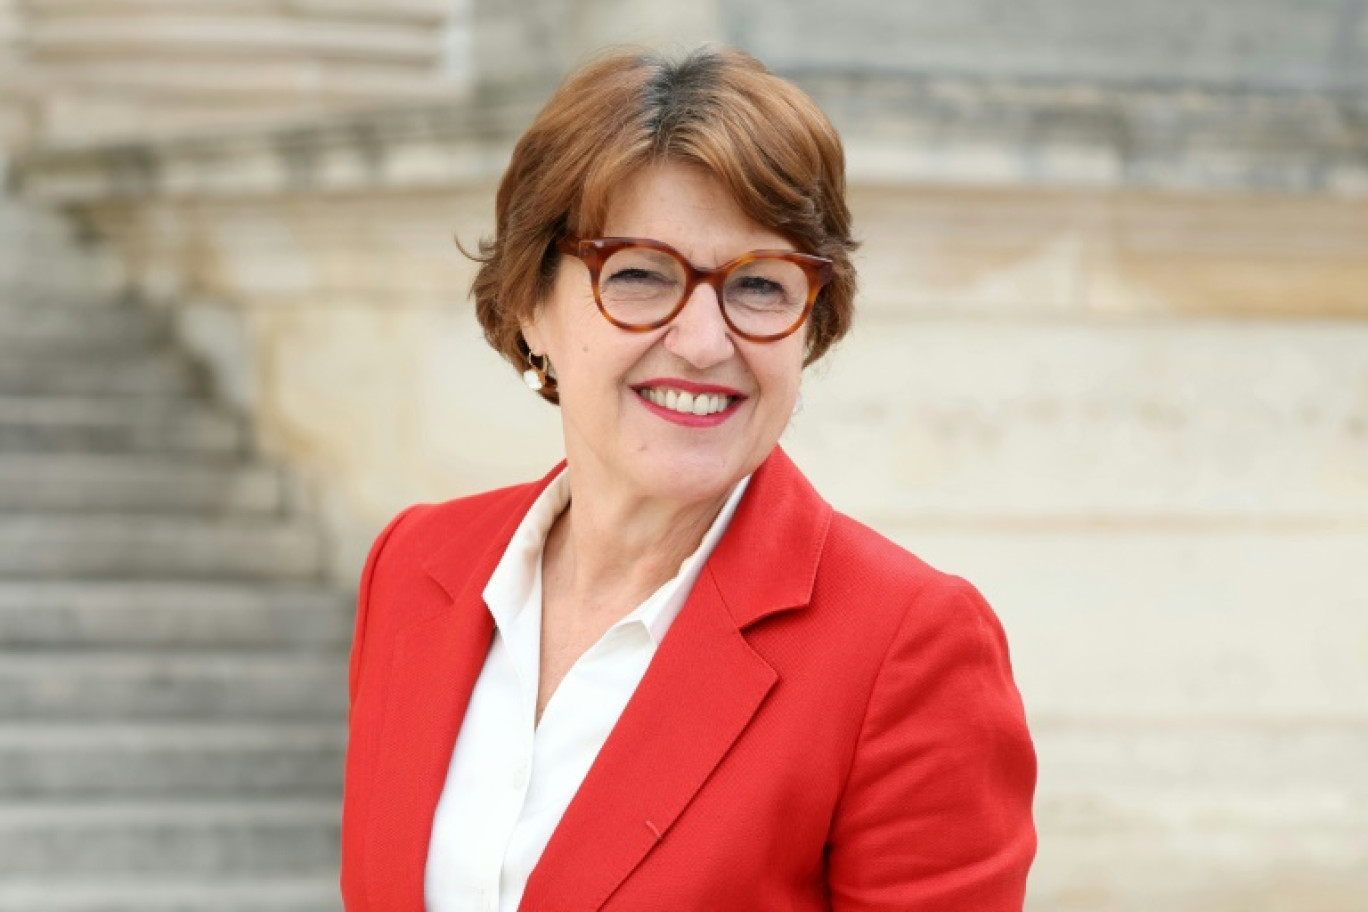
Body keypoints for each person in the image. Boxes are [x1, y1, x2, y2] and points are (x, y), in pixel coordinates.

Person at [340, 46, 1036, 912]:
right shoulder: (416, 566)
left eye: (759, 285)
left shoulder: (907, 647)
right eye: (638, 274)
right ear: (530, 302)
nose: (705, 342)